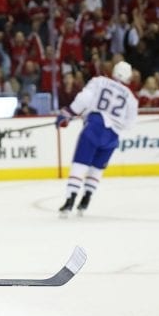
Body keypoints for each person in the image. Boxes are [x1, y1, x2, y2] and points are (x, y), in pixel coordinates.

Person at [56, 60, 138, 216]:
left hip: (94, 127)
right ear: (128, 77)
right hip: (112, 136)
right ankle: (86, 199)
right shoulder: (131, 98)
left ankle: (70, 200)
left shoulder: (99, 81)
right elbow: (129, 124)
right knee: (97, 168)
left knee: (80, 163)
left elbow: (83, 99)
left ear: (113, 71)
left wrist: (69, 113)